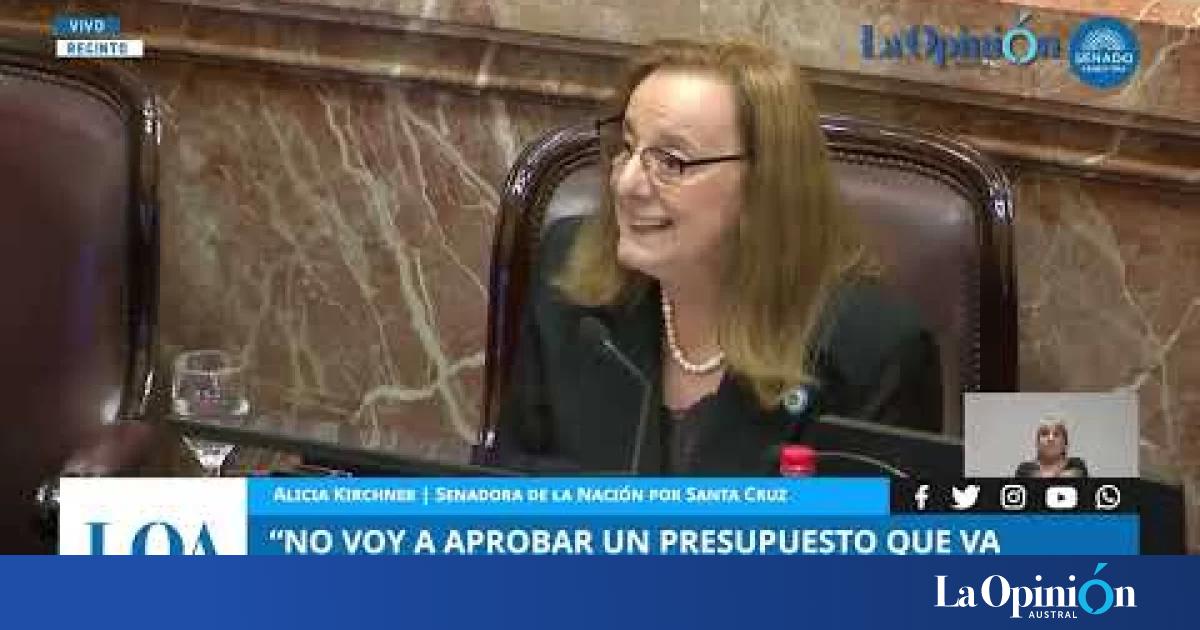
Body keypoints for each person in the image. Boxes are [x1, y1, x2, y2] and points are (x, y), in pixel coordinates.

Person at [495, 39, 942, 475]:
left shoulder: (874, 349)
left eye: (671, 161)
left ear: (762, 186)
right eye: (627, 148)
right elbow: (508, 486)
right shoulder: (568, 272)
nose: (626, 184)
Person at [1014, 414, 1088, 478]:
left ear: (1065, 444)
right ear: (1037, 443)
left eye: (1056, 434)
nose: (1050, 439)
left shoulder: (1076, 465)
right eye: (1044, 434)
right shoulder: (1025, 470)